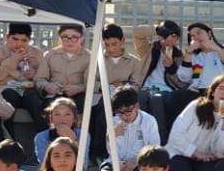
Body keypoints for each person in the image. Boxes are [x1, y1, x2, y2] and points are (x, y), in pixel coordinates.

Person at [165, 74, 224, 171]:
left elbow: (221, 150)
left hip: (207, 159)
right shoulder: (196, 106)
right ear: (213, 92)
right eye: (221, 88)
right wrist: (197, 153)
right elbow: (176, 135)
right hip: (180, 153)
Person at [88, 23, 147, 160]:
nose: (111, 48)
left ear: (122, 41)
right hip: (101, 96)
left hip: (125, 96)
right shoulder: (97, 60)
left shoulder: (134, 62)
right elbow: (90, 81)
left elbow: (136, 84)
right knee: (103, 110)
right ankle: (98, 152)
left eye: (114, 44)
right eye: (107, 44)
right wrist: (104, 87)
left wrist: (122, 89)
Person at [165, 22, 224, 124]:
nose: (196, 37)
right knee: (173, 97)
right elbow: (184, 77)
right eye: (192, 36)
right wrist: (188, 53)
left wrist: (217, 49)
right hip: (197, 92)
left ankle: (222, 128)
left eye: (199, 33)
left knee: (222, 114)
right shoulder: (194, 55)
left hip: (219, 93)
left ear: (209, 34)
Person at [0, 23, 46, 138]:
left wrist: (35, 74)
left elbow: (45, 75)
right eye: (15, 39)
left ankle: (45, 139)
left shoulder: (36, 52)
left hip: (28, 87)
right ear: (7, 37)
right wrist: (12, 61)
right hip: (6, 87)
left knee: (35, 100)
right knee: (8, 98)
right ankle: (8, 141)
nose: (19, 44)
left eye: (24, 40)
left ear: (29, 40)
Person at [132, 20, 188, 138]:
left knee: (156, 100)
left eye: (172, 36)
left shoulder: (179, 56)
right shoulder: (149, 49)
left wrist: (172, 68)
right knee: (140, 98)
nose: (166, 39)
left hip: (165, 90)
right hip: (146, 87)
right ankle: (140, 137)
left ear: (176, 38)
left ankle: (160, 139)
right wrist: (157, 29)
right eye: (163, 35)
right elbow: (136, 32)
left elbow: (183, 84)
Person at [35, 24, 91, 110]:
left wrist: (81, 88)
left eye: (74, 37)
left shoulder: (90, 57)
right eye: (65, 37)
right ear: (59, 38)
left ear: (81, 38)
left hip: (79, 95)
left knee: (82, 107)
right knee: (48, 108)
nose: (69, 41)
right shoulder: (50, 55)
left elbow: (94, 82)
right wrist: (47, 86)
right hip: (55, 94)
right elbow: (39, 79)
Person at [33, 97, 82, 165]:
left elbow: (82, 164)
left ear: (75, 119)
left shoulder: (82, 135)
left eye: (67, 114)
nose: (62, 119)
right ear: (51, 119)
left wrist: (72, 138)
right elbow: (44, 164)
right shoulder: (41, 137)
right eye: (57, 114)